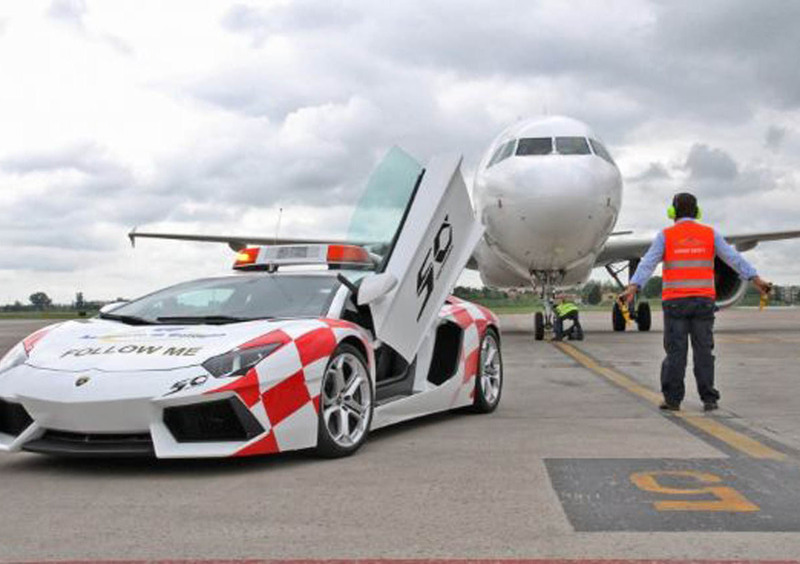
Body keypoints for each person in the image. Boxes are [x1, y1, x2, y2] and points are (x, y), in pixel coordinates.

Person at [618, 192, 772, 412]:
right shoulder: (710, 235)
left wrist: (633, 287)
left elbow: (647, 264)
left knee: (676, 353)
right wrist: (756, 279)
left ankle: (672, 400)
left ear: (672, 212)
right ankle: (709, 399)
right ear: (697, 212)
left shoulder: (666, 236)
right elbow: (734, 259)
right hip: (703, 302)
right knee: (703, 352)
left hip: (675, 303)